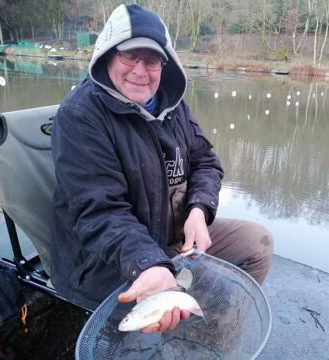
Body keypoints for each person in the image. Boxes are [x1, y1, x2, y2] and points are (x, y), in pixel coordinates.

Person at [50, 3, 273, 333]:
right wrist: (150, 264)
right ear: (108, 56)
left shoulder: (172, 105)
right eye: (130, 56)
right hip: (105, 258)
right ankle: (180, 313)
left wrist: (199, 209)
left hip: (170, 235)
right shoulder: (80, 116)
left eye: (151, 60)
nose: (141, 70)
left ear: (164, 64)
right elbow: (100, 212)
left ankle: (208, 330)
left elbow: (205, 161)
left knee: (257, 243)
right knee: (156, 303)